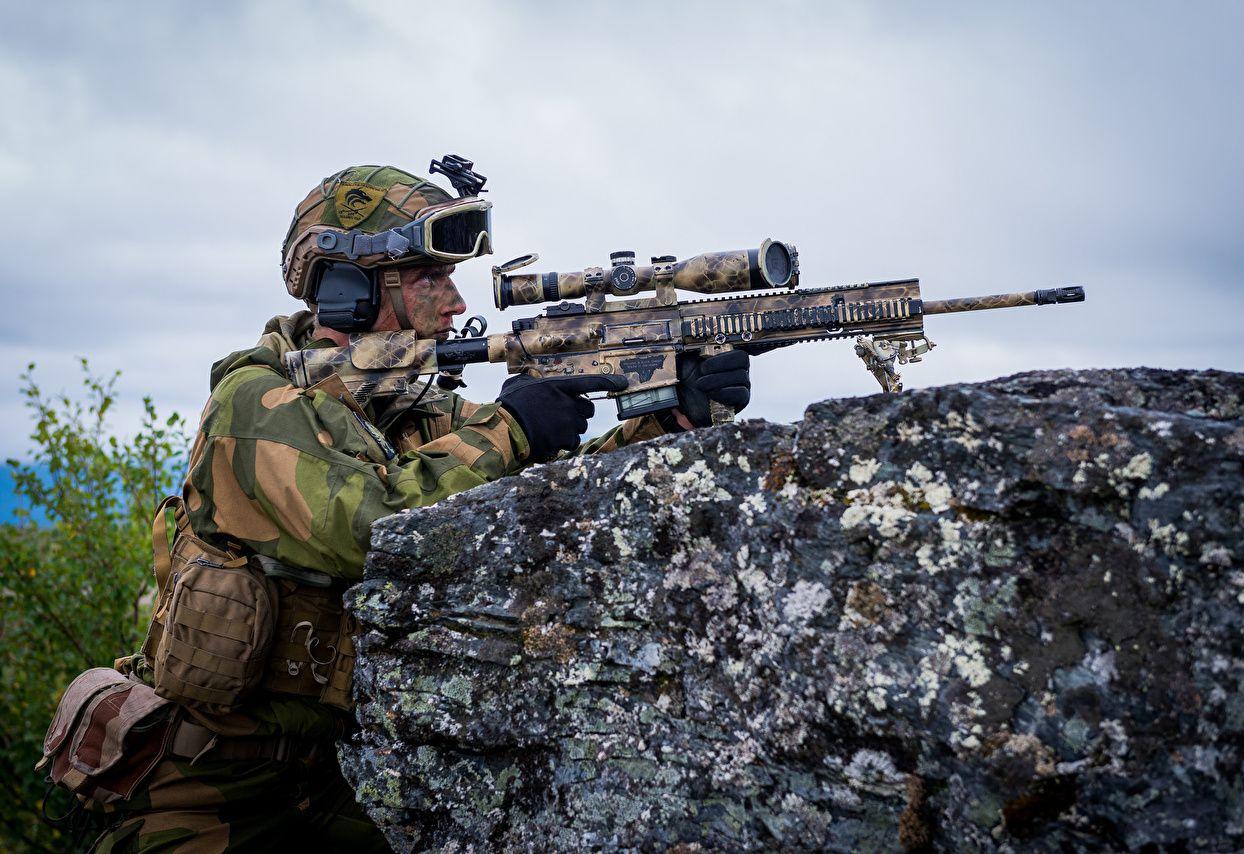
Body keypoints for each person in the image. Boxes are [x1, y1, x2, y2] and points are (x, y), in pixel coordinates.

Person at [53, 163, 750, 851]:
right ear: (348, 287)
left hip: (347, 771)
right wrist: (511, 429)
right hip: (207, 779)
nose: (452, 302)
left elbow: (548, 510)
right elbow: (373, 531)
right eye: (429, 278)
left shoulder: (419, 412)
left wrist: (672, 420)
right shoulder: (253, 403)